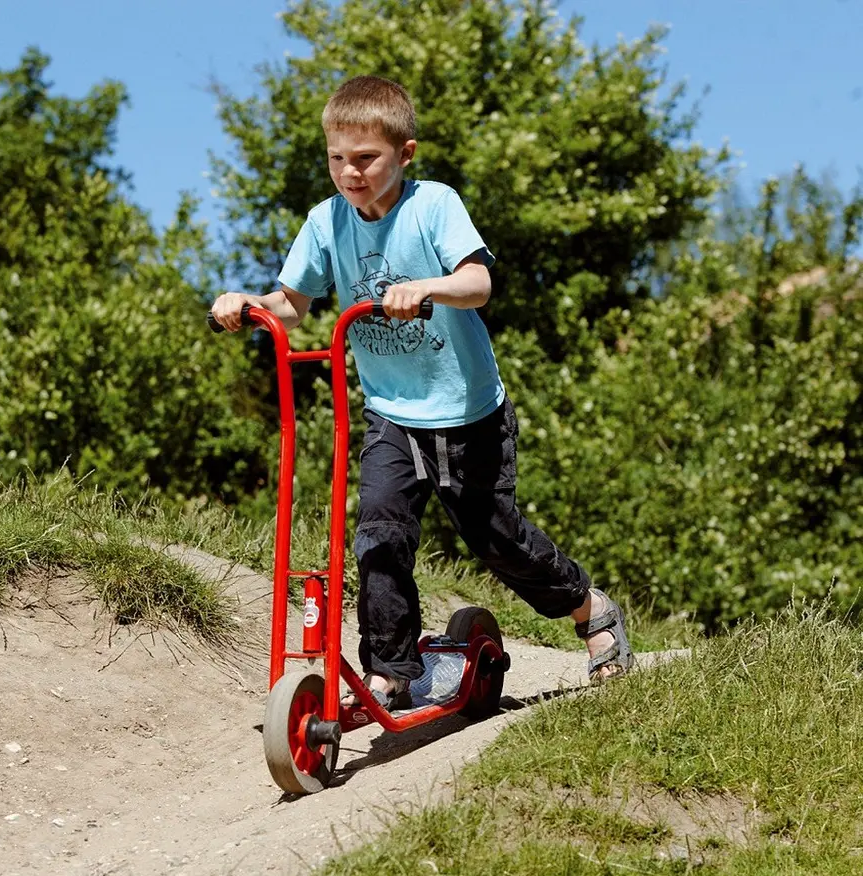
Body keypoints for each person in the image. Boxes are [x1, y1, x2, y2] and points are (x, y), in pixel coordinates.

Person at [211, 75, 633, 710]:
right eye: (336, 158)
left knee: (497, 539)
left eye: (365, 159)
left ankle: (588, 606)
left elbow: (478, 282)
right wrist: (249, 303)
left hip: (468, 413)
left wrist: (429, 288)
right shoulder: (325, 223)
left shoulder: (434, 205)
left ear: (404, 154)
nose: (349, 173)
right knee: (379, 536)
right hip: (392, 417)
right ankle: (392, 671)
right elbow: (293, 304)